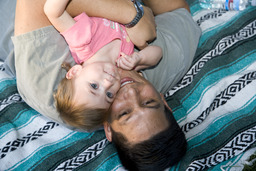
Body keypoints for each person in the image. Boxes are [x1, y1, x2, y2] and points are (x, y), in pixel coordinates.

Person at [11, 0, 201, 170]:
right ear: (163, 100)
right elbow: (178, 11)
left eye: (124, 113)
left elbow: (38, 4)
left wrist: (132, 15)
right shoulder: (168, 62)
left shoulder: (54, 89)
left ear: (108, 129)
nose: (131, 93)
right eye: (148, 102)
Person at [43, 0, 162, 130]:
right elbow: (158, 53)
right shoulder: (122, 66)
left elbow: (53, 12)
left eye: (94, 86)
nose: (107, 83)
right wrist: (139, 58)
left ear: (75, 72)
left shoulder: (82, 42)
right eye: (109, 95)